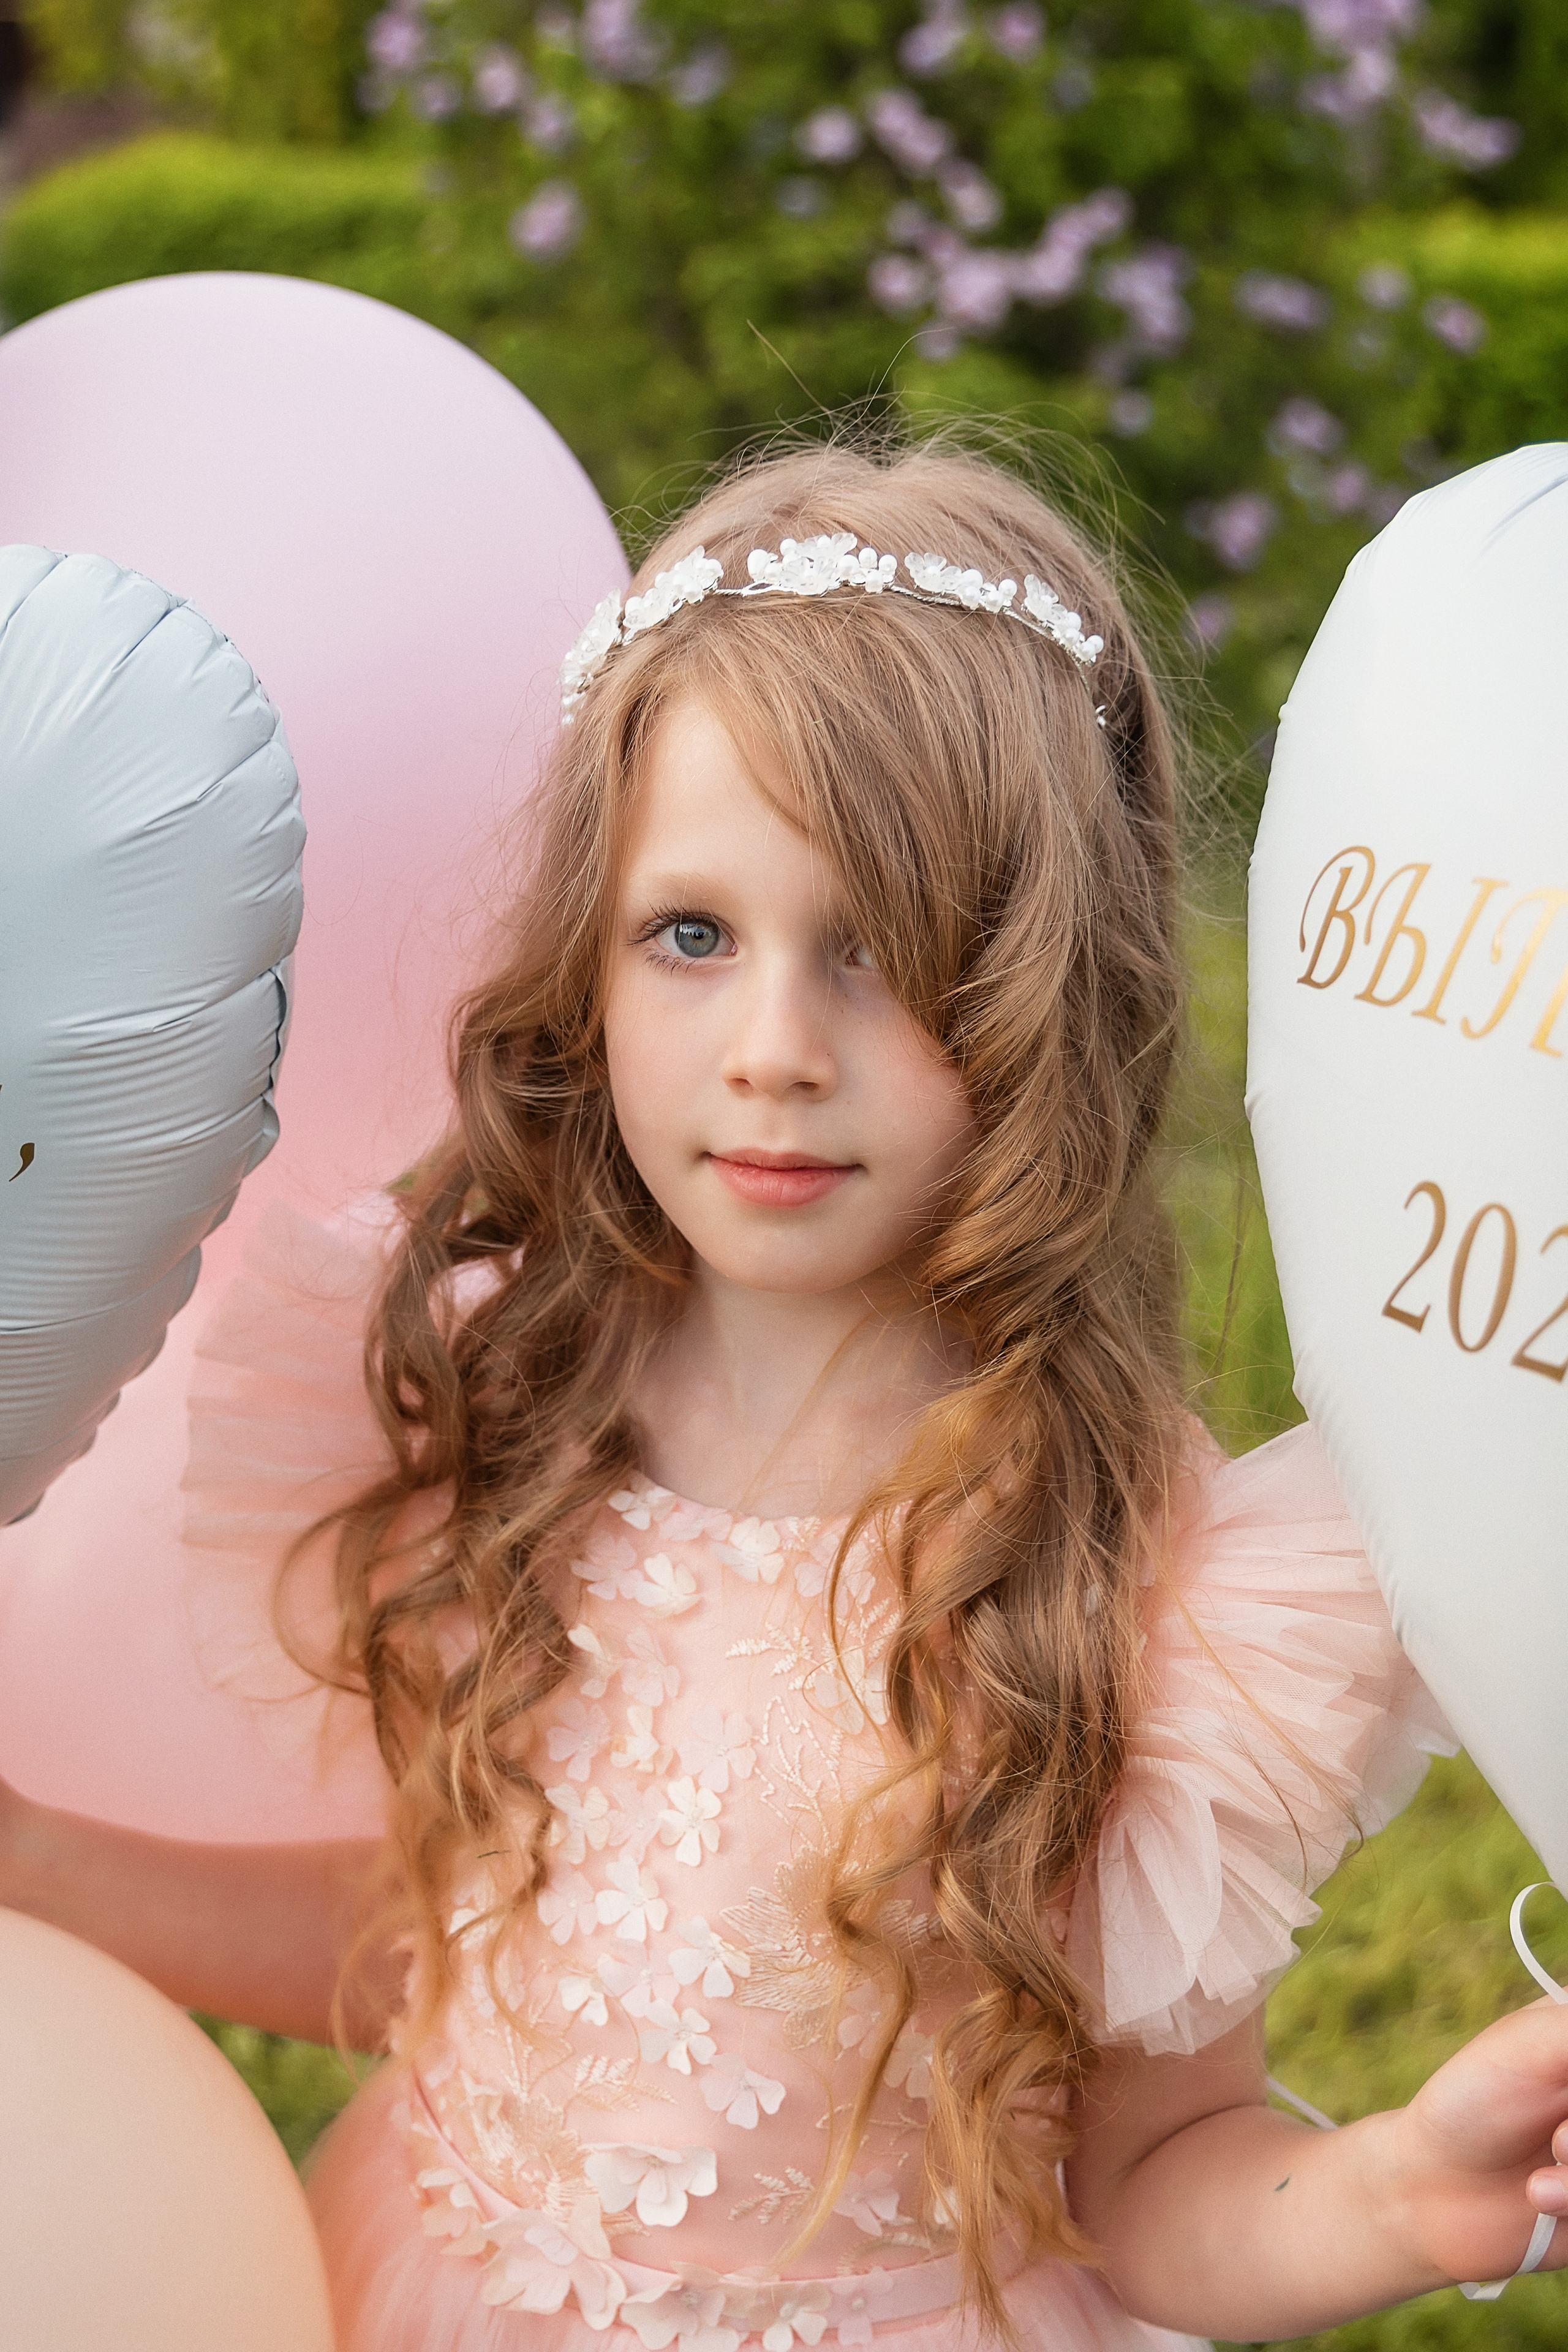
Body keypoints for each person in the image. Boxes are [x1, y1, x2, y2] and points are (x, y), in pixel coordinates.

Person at [4, 440, 1568, 2352]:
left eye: (886, 959)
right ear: (585, 958)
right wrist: (36, 1858)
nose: (772, 1054)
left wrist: (1409, 2187)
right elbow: (442, 1954)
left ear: (1049, 990)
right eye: (693, 936)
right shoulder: (500, 1404)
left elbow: (1159, 2191)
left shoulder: (1145, 1589)